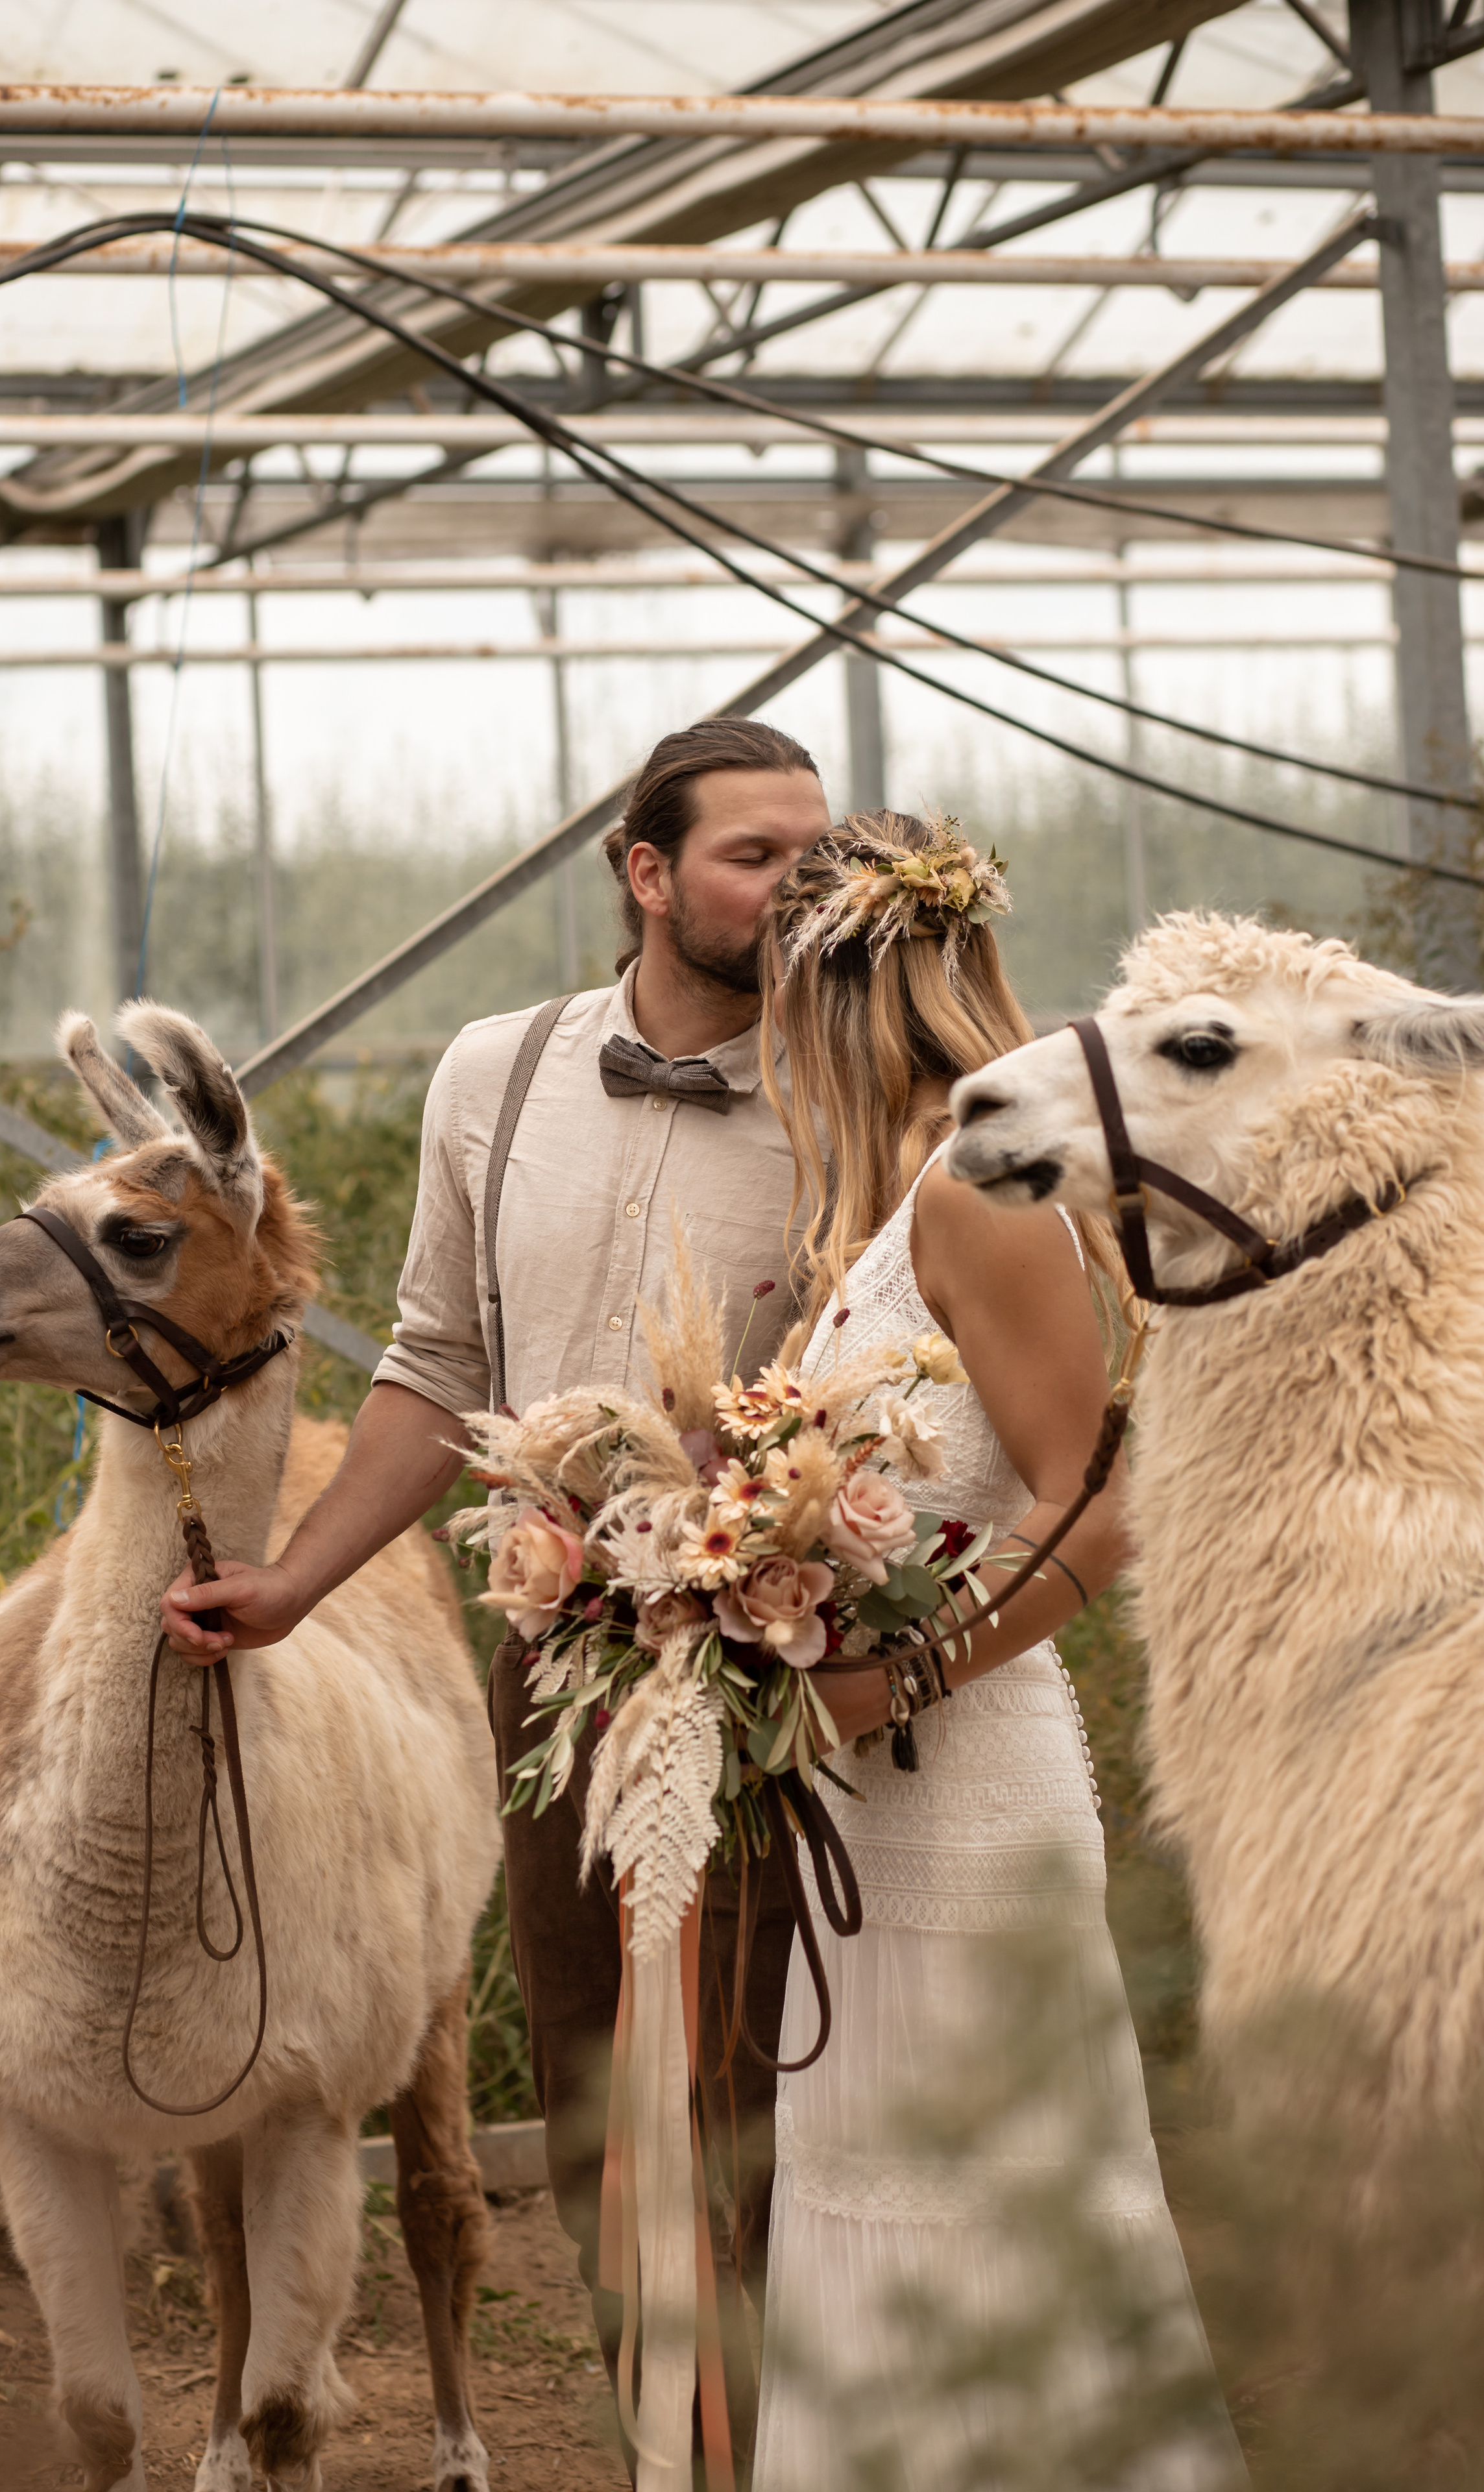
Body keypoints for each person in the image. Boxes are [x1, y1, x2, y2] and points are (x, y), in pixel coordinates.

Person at [160, 717, 833, 2483]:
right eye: (756, 854)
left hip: (781, 1665)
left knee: (768, 2100)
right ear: (646, 871)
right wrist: (296, 1581)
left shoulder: (850, 1091)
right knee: (601, 2094)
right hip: (553, 1667)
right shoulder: (498, 1074)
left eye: (812, 853)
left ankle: (787, 2448)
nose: (794, 887)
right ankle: (662, 2449)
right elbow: (436, 1367)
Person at [750, 813, 1245, 2491]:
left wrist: (896, 1681)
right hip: (871, 1804)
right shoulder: (889, 1204)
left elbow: (1097, 1508)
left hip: (961, 1781)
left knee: (993, 2197)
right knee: (871, 2178)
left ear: (829, 994)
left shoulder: (980, 1184)